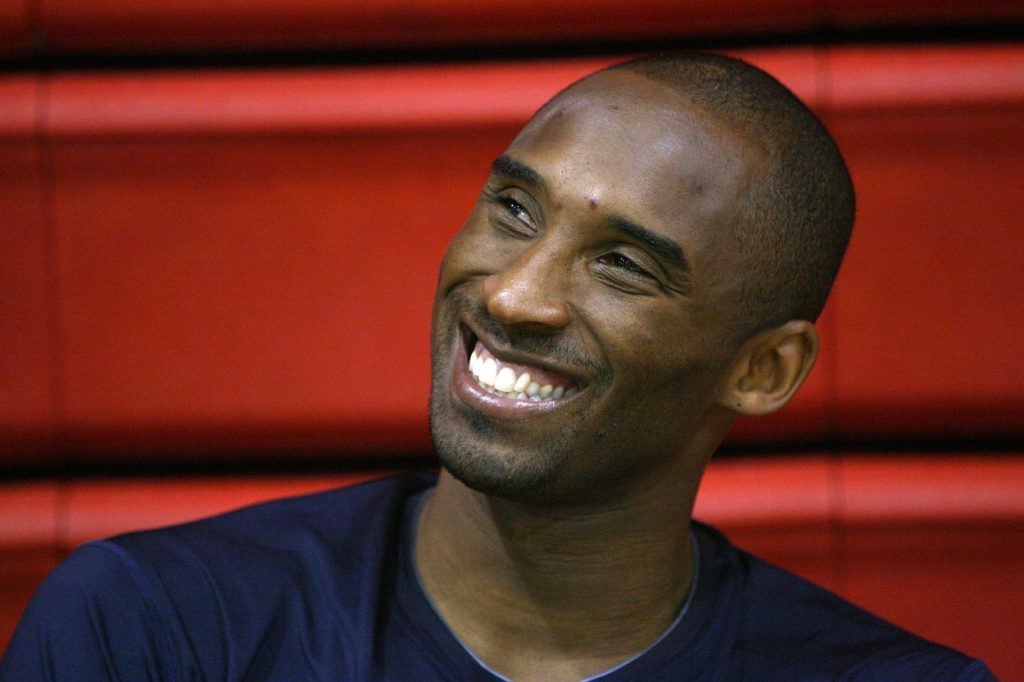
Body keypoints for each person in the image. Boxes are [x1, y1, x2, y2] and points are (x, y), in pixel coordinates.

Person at [0, 53, 994, 681]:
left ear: (765, 369)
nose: (516, 294)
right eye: (514, 211)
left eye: (623, 264)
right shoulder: (154, 629)